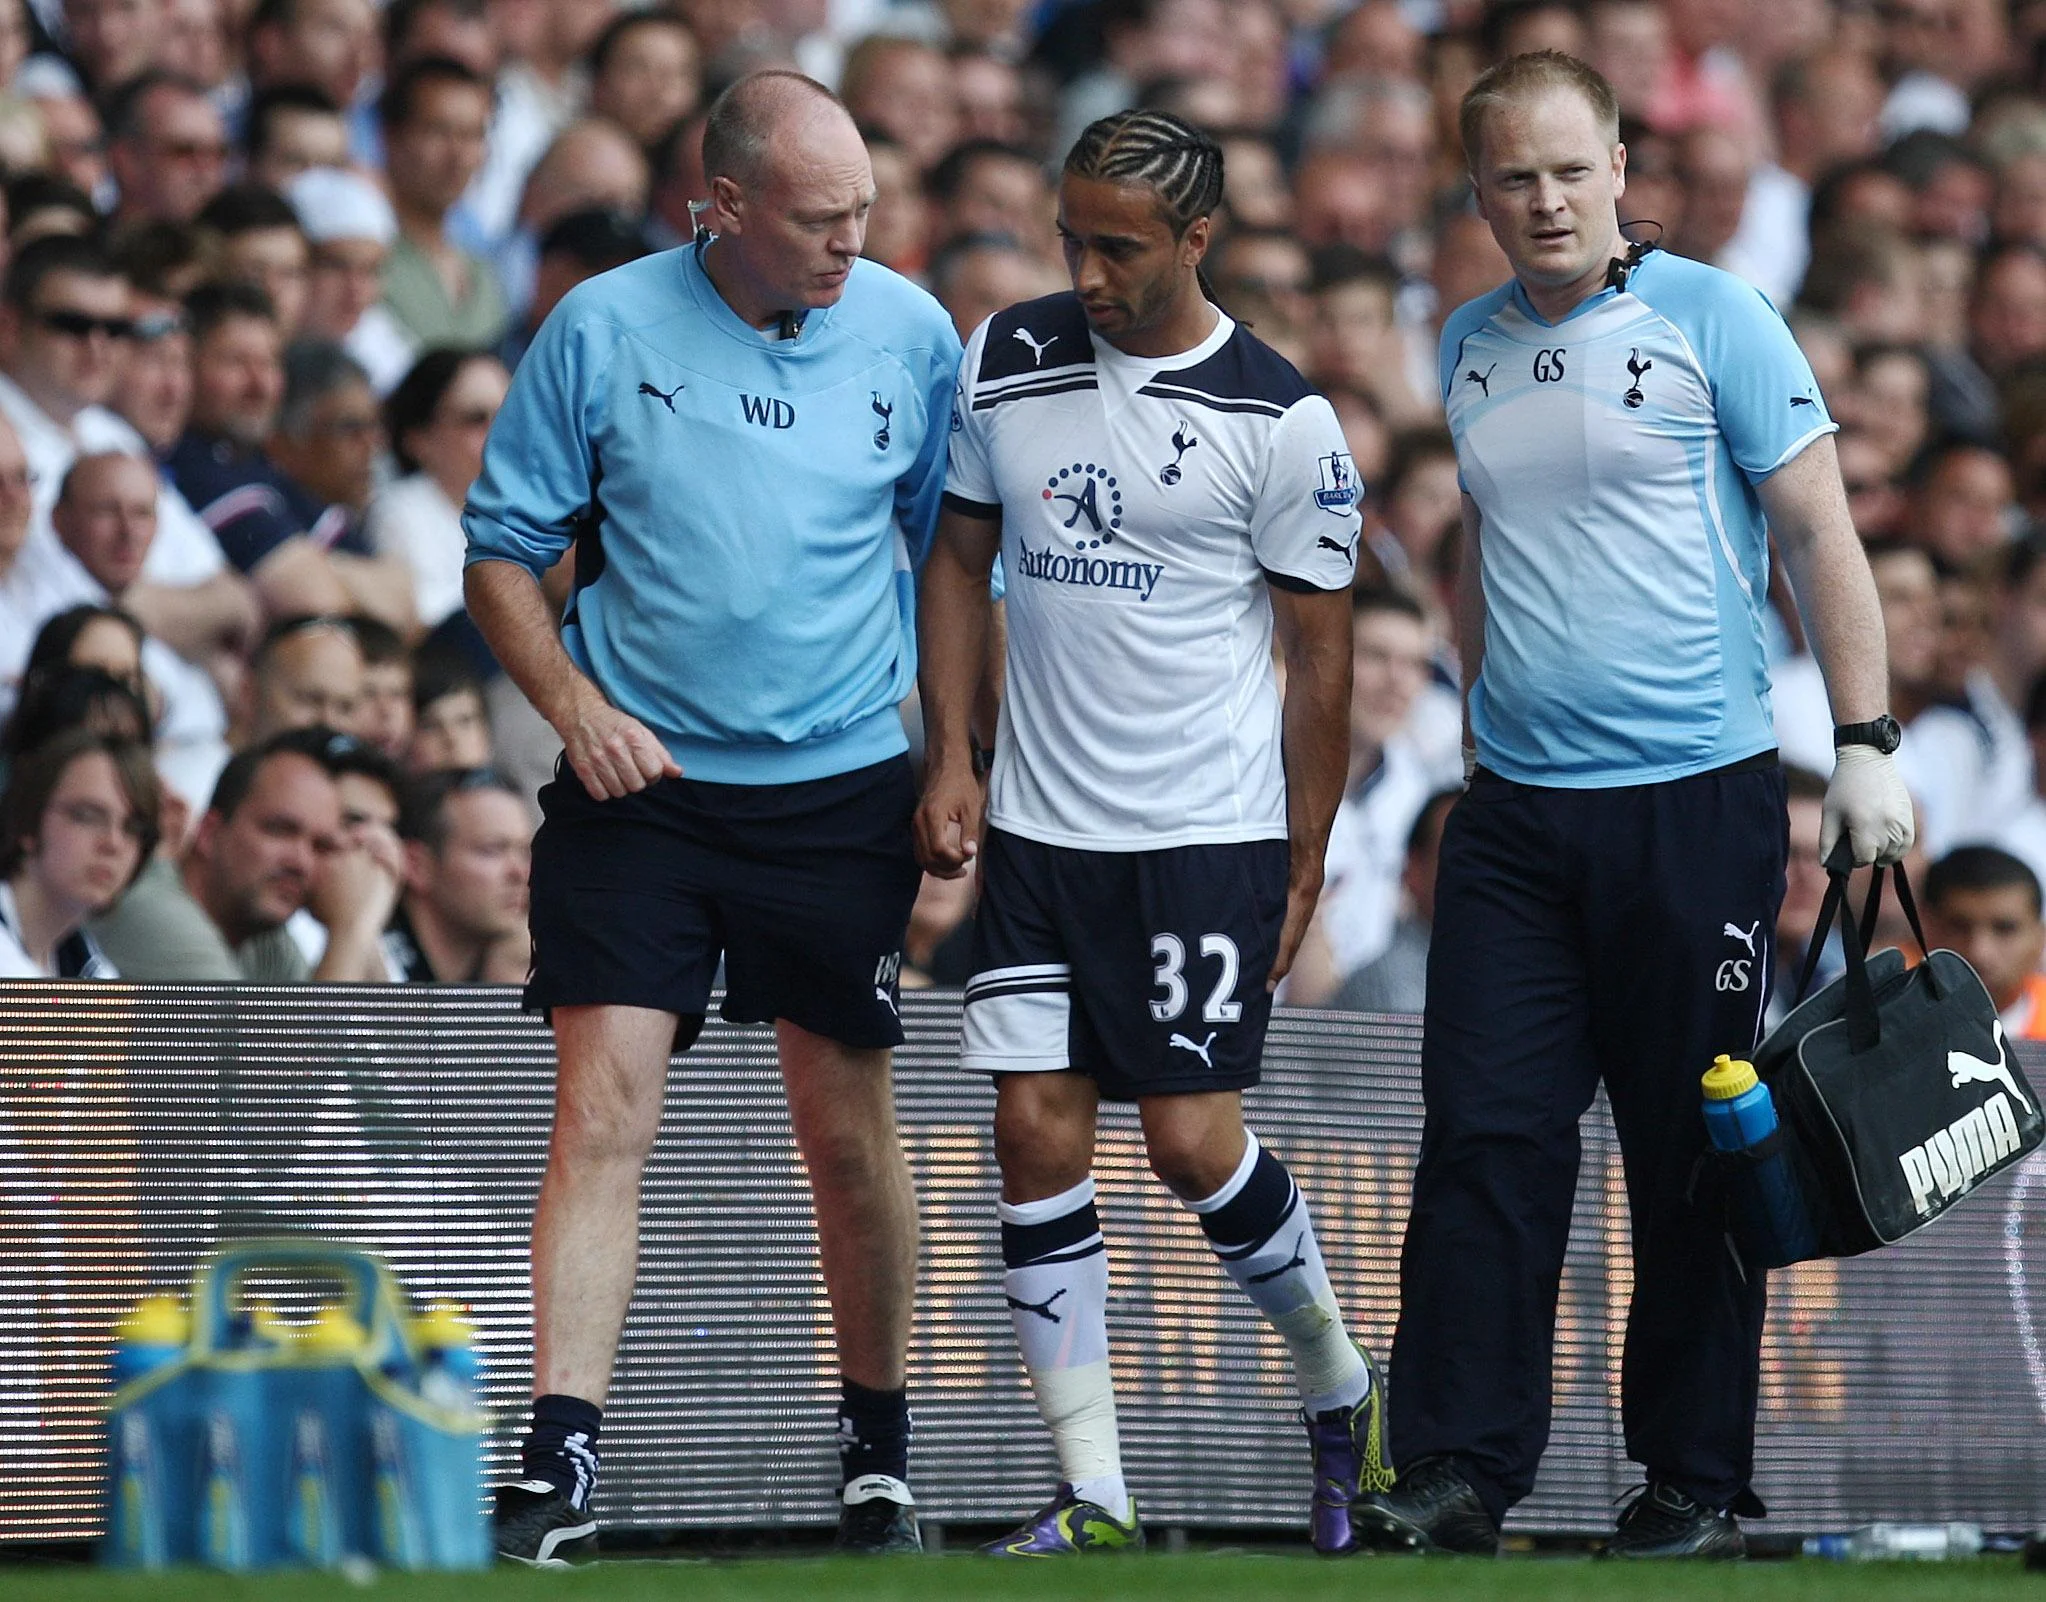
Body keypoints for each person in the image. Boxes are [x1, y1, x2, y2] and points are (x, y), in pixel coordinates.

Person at [1349, 53, 1913, 1561]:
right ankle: (1458, 1467)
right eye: (1510, 179)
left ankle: (1693, 1481)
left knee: (1691, 1149)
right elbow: (1490, 559)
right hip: (1517, 818)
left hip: (1695, 801)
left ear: (1616, 168)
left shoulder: (1714, 318)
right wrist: (1482, 721)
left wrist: (1861, 743)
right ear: (1472, 194)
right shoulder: (1464, 343)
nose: (1542, 201)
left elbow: (1817, 532)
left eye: (1566, 170)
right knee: (1481, 1135)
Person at [462, 70, 960, 1563]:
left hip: (838, 785)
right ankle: (559, 1461)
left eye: (866, 211)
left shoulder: (912, 330)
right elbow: (500, 553)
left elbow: (948, 558)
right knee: (601, 1107)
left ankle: (878, 1453)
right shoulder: (601, 326)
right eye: (819, 218)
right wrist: (573, 709)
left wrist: (955, 760)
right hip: (648, 789)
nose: (850, 243)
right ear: (722, 205)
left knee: (844, 1131)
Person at [916, 108, 1386, 1558]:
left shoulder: (1281, 418)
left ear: (1197, 239)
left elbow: (1321, 659)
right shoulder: (1008, 355)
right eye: (1073, 237)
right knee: (1030, 1128)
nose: (1088, 268)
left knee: (1190, 1143)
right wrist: (952, 753)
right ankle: (1095, 1495)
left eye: (1118, 245)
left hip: (1203, 834)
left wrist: (1303, 857)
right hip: (1043, 832)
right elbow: (957, 554)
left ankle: (1337, 1377)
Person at [88, 725, 391, 982]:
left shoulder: (260, 932)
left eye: (320, 846)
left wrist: (365, 921)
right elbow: (302, 1053)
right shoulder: (153, 912)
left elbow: (377, 1048)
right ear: (208, 833)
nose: (301, 862)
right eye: (280, 830)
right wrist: (350, 930)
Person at [366, 348, 510, 628]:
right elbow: (430, 624)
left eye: (508, 414)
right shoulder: (400, 512)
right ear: (418, 438)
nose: (500, 432)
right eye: (476, 419)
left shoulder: (534, 510)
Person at [0, 728, 158, 977]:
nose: (113, 843)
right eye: (88, 816)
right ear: (29, 820)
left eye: (133, 828)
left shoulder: (91, 966)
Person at [385, 765, 531, 983]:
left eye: (525, 852)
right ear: (417, 866)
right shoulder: (372, 964)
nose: (521, 873)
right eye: (492, 850)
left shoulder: (514, 967)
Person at [1924, 846, 2046, 1041]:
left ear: (2040, 938)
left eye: (2005, 929)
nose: (1979, 952)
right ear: (1927, 929)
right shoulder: (1885, 1026)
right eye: (1959, 927)